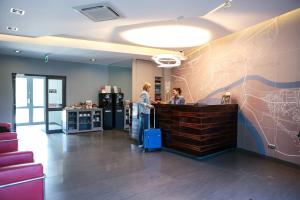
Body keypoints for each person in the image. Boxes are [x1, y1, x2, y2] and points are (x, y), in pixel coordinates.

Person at [138, 82, 153, 147]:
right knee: (146, 128)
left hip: (144, 113)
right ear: (147, 87)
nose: (150, 89)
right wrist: (148, 105)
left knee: (142, 128)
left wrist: (151, 102)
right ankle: (145, 144)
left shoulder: (146, 93)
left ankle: (141, 143)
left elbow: (146, 101)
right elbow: (140, 102)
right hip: (145, 113)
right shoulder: (144, 93)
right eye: (149, 87)